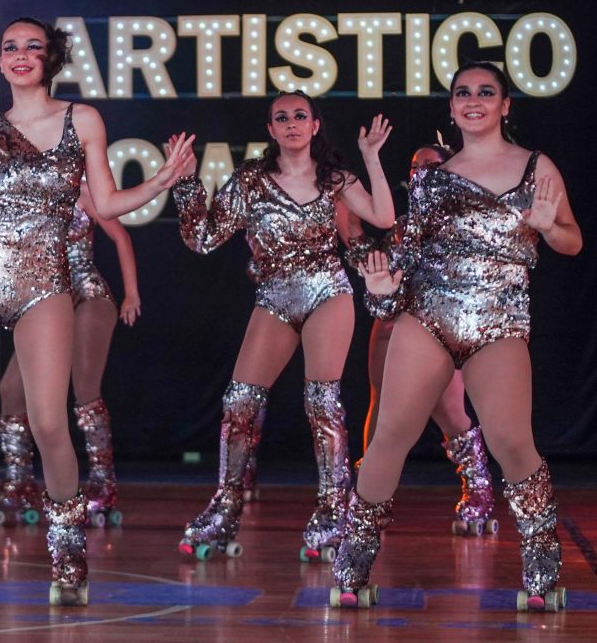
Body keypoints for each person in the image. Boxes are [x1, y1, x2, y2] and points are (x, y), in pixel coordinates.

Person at [0, 18, 187, 607]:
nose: (20, 55)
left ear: (51, 59)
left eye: (32, 47)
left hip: (45, 282)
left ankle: (68, 553)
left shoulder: (82, 120)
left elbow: (105, 204)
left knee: (49, 422)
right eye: (10, 47)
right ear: (0, 61)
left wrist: (161, 180)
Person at [334, 62, 580, 611]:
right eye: (463, 93)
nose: (474, 100)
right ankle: (352, 563)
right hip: (429, 316)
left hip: (498, 322)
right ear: (451, 108)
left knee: (511, 441)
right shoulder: (432, 178)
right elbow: (406, 257)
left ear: (505, 105)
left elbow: (572, 241)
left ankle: (541, 563)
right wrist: (382, 288)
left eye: (486, 92)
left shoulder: (536, 167)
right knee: (389, 435)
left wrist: (547, 226)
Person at [166, 91, 394, 563]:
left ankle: (333, 515)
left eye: (300, 116)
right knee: (239, 403)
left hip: (327, 291)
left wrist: (371, 157)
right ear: (270, 129)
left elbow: (384, 217)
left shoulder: (334, 178)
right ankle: (224, 508)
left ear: (315, 125)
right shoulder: (251, 179)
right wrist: (186, 182)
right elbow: (203, 238)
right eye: (282, 117)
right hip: (275, 295)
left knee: (321, 402)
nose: (291, 123)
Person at [0, 180, 140, 528]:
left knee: (85, 390)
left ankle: (102, 486)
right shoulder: (26, 194)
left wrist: (131, 294)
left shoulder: (84, 192)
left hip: (86, 295)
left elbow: (121, 238)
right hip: (47, 299)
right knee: (11, 390)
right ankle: (20, 484)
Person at [356, 143, 497, 537]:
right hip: (394, 323)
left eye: (431, 166)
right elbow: (384, 281)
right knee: (381, 405)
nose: (421, 173)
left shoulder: (466, 222)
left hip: (441, 327)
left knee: (449, 412)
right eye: (415, 167)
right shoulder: (403, 226)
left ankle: (479, 490)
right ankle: (370, 501)